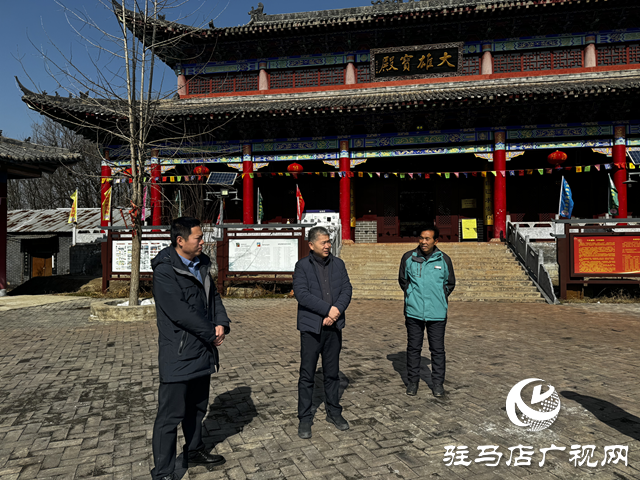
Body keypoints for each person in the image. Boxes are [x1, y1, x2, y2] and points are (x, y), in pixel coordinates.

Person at [150, 217, 231, 480]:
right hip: (179, 352)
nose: (202, 242)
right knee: (170, 416)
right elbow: (179, 312)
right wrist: (210, 332)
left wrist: (221, 323)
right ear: (180, 240)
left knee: (197, 407)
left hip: (202, 350)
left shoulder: (201, 264)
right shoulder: (165, 271)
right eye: (198, 237)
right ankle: (163, 471)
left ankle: (194, 450)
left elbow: (213, 297)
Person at [293, 226, 352, 439]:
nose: (328, 246)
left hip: (333, 328)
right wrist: (328, 310)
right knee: (307, 374)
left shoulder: (338, 264)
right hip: (312, 328)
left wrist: (335, 312)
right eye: (323, 242)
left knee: (332, 373)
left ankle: (334, 411)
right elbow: (302, 294)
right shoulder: (302, 266)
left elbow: (347, 289)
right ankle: (304, 417)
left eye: (329, 241)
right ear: (311, 245)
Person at [398, 225, 455, 398]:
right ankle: (412, 382)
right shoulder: (408, 257)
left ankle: (437, 384)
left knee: (437, 350)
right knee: (413, 348)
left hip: (437, 313)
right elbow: (403, 280)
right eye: (421, 238)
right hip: (414, 312)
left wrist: (439, 297)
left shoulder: (444, 259)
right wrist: (411, 295)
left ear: (435, 241)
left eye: (427, 239)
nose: (423, 241)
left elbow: (450, 283)